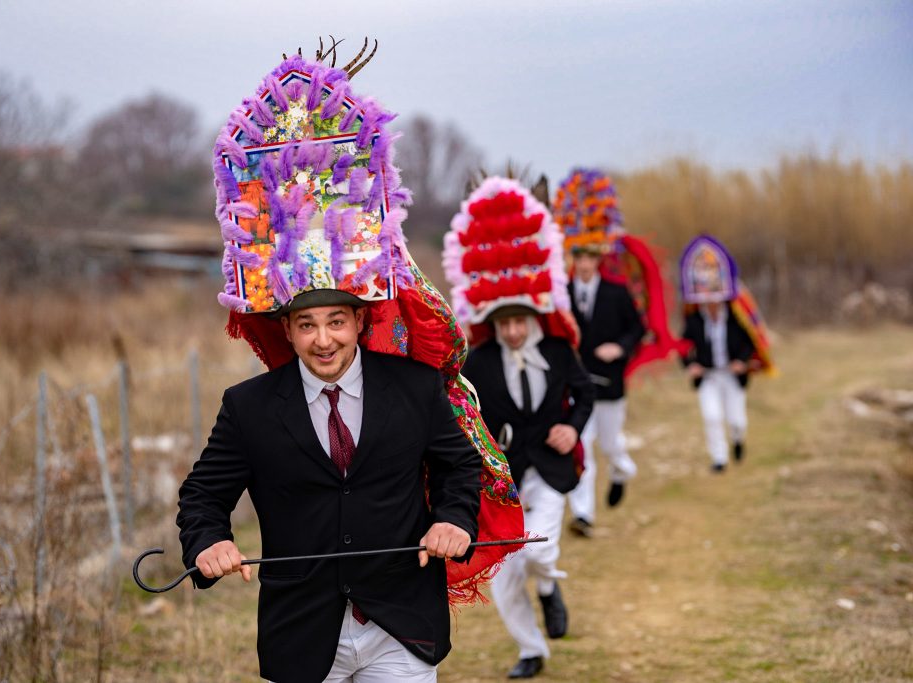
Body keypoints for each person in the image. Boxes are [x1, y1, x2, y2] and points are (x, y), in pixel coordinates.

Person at [175, 48, 524, 683]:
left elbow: (457, 468)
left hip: (401, 628)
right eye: (306, 325)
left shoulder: (415, 390)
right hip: (303, 638)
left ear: (361, 320)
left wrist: (451, 519)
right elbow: (202, 495)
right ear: (286, 328)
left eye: (337, 321)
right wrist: (208, 542)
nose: (323, 340)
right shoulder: (249, 409)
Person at [444, 176, 594, 679]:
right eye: (503, 322)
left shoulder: (557, 349)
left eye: (519, 320)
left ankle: (550, 587)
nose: (512, 330)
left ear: (533, 313)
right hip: (503, 476)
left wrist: (573, 428)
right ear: (492, 319)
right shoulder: (479, 362)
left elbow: (585, 392)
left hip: (550, 468)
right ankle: (531, 650)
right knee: (507, 574)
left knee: (542, 550)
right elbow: (464, 412)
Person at [552, 169, 644, 537]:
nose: (585, 263)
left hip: (609, 384)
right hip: (578, 383)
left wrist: (619, 347)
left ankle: (622, 471)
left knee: (611, 445)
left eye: (590, 256)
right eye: (579, 256)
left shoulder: (617, 292)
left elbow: (637, 328)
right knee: (583, 446)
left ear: (599, 257)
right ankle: (584, 514)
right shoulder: (563, 293)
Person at [678, 234, 775, 472]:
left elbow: (750, 341)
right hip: (709, 376)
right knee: (711, 417)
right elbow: (684, 347)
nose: (710, 303)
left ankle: (738, 439)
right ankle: (719, 459)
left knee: (737, 420)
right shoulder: (693, 320)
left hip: (731, 375)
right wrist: (691, 365)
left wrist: (742, 363)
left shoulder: (735, 317)